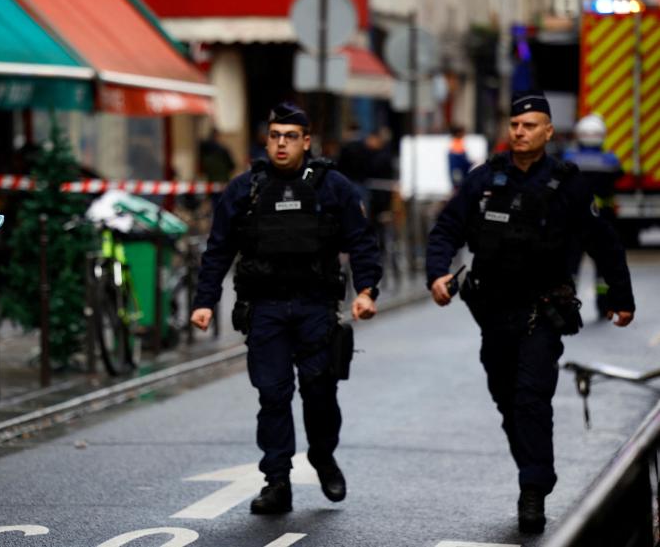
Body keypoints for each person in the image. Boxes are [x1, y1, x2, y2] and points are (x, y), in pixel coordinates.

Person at [426, 90, 635, 534]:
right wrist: (436, 274)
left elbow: (604, 242)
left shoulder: (567, 184)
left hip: (542, 312)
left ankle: (533, 490)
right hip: (492, 313)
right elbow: (447, 227)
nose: (519, 132)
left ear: (547, 132)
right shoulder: (485, 179)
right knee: (507, 400)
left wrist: (620, 297)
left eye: (529, 126)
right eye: (515, 126)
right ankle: (533, 470)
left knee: (531, 399)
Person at [190, 102, 383, 514]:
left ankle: (322, 455)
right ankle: (277, 482)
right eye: (275, 136)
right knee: (273, 396)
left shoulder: (333, 187)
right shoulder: (246, 189)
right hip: (265, 308)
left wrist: (367, 290)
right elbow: (218, 249)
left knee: (319, 394)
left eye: (290, 137)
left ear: (306, 141)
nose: (281, 144)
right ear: (267, 139)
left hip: (316, 307)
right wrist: (205, 301)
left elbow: (362, 241)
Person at [563, 114, 622, 316]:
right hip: (602, 220)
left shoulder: (568, 158)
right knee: (604, 265)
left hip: (574, 221)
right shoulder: (610, 160)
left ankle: (567, 304)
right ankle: (604, 306)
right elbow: (618, 178)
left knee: (571, 264)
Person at [447, 124, 470, 192]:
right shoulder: (456, 144)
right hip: (458, 172)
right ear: (458, 133)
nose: (464, 134)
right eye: (463, 132)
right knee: (458, 189)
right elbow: (460, 161)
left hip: (457, 172)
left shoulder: (457, 143)